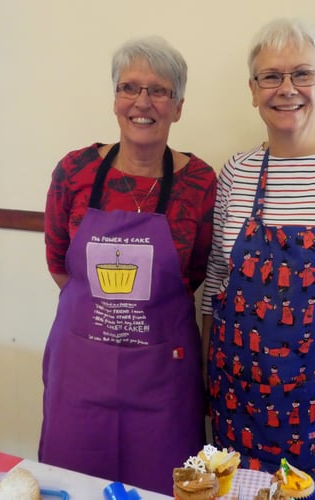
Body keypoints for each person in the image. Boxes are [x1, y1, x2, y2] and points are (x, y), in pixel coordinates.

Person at [201, 18, 315, 499]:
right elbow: (216, 283)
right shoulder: (237, 174)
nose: (287, 89)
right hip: (239, 399)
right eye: (272, 76)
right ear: (253, 89)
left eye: (303, 74)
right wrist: (207, 374)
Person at [40, 35, 217, 495]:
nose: (143, 102)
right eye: (129, 88)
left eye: (158, 90)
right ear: (115, 98)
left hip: (163, 381)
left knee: (164, 486)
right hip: (81, 375)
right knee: (73, 485)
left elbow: (194, 274)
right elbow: (59, 263)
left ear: (177, 106)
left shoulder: (199, 181)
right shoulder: (73, 171)